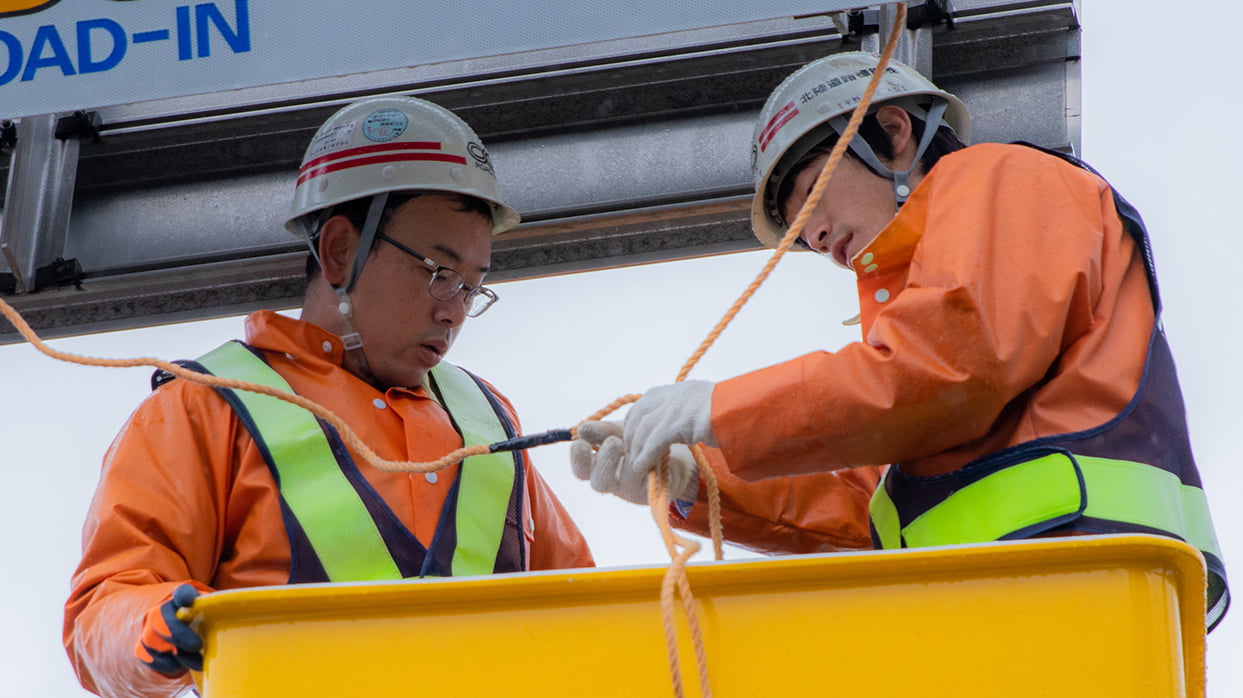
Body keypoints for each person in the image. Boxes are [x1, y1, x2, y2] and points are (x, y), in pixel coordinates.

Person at [571, 51, 1229, 630]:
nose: (812, 236)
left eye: (809, 196)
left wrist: (723, 409)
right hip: (1012, 600)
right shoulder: (920, 341)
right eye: (797, 229)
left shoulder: (1001, 178)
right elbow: (864, 507)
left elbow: (950, 364)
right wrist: (696, 478)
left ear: (891, 135)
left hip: (1074, 579)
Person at [64, 96, 594, 698]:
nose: (454, 312)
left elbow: (578, 603)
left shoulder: (484, 415)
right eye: (439, 273)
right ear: (340, 250)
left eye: (473, 288)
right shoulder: (208, 408)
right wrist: (155, 626)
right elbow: (105, 607)